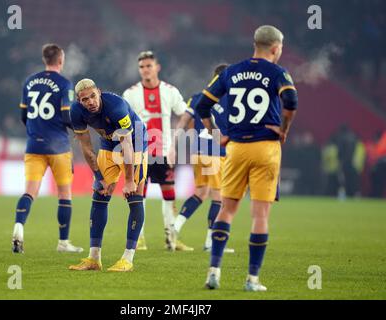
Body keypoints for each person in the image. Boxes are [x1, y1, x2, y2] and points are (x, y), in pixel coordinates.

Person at [195, 25, 298, 291]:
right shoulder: (277, 72)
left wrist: (217, 134)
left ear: (256, 44)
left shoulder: (232, 71)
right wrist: (284, 130)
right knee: (260, 215)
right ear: (275, 48)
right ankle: (252, 279)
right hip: (266, 147)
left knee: (226, 210)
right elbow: (291, 100)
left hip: (236, 148)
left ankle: (213, 273)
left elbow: (202, 105)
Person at [68, 78, 148, 272]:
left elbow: (127, 145)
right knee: (100, 194)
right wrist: (98, 177)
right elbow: (86, 147)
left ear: (99, 92)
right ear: (79, 101)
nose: (90, 102)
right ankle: (94, 258)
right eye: (85, 99)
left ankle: (127, 259)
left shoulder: (116, 106)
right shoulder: (76, 112)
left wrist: (128, 181)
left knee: (134, 195)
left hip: (134, 142)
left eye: (93, 96)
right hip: (108, 143)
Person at [12, 44, 83, 254]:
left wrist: (37, 130)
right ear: (61, 60)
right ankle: (63, 243)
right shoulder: (64, 84)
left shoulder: (29, 81)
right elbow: (66, 116)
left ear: (45, 59)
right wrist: (80, 129)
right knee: (64, 194)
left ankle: (18, 227)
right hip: (58, 146)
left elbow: (24, 116)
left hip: (34, 145)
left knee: (30, 191)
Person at [123, 50, 192, 251]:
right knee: (139, 196)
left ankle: (171, 239)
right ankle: (139, 238)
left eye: (149, 66)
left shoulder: (170, 91)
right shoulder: (130, 94)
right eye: (142, 67)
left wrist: (175, 145)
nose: (145, 70)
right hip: (141, 153)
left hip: (164, 153)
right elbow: (123, 123)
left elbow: (185, 115)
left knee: (169, 195)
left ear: (157, 67)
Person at [168, 64, 234, 253]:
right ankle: (210, 243)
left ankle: (176, 226)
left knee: (200, 193)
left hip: (197, 153)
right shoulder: (230, 101)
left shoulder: (198, 97)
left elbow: (183, 121)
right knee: (218, 198)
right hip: (216, 153)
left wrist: (173, 143)